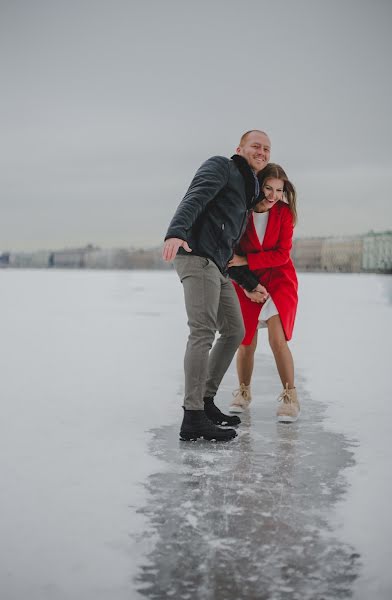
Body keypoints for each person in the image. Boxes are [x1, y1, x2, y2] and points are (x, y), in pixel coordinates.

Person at [162, 130, 271, 441]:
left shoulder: (247, 191)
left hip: (217, 265)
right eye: (255, 146)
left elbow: (227, 244)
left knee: (235, 330)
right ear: (240, 148)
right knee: (202, 331)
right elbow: (195, 196)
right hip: (195, 256)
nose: (261, 152)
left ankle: (205, 401)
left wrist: (247, 282)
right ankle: (193, 416)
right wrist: (176, 230)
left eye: (266, 148)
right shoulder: (222, 166)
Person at [227, 163, 300, 422]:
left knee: (277, 340)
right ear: (259, 186)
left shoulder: (284, 214)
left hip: (280, 280)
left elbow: (281, 255)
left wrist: (245, 260)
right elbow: (230, 252)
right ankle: (243, 393)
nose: (273, 195)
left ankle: (290, 397)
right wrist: (247, 280)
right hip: (248, 282)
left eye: (279, 190)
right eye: (269, 188)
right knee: (245, 341)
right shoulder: (242, 213)